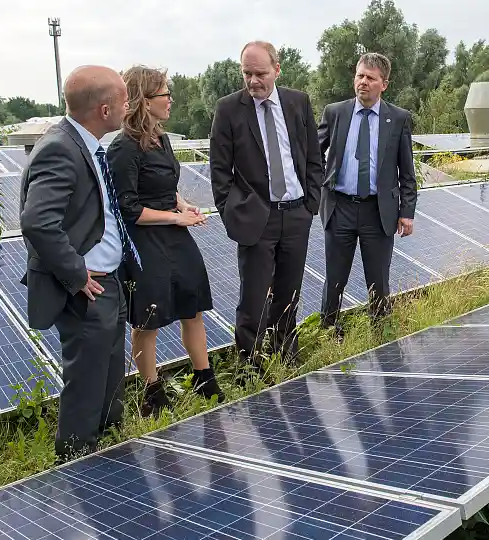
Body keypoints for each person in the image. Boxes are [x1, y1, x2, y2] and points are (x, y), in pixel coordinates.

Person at [19, 65, 135, 461]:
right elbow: (37, 221)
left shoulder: (86, 145)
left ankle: (110, 454)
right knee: (86, 382)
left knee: (107, 377)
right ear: (104, 109)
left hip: (109, 282)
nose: (128, 106)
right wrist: (76, 273)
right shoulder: (60, 147)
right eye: (123, 100)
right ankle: (78, 463)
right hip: (87, 287)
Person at [107, 65, 223, 417]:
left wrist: (182, 204)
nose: (171, 99)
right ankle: (152, 392)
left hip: (175, 236)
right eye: (164, 94)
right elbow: (126, 208)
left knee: (193, 305)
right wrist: (176, 217)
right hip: (145, 242)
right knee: (149, 318)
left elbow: (166, 187)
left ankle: (204, 377)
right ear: (144, 100)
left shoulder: (162, 137)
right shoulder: (124, 147)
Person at [210, 40, 322, 367]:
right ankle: (252, 367)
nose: (253, 80)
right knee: (254, 299)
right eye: (247, 73)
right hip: (256, 218)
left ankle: (286, 357)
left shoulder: (298, 102)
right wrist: (233, 213)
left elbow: (313, 156)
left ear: (277, 69)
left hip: (296, 214)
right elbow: (219, 170)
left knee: (289, 294)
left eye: (260, 73)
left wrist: (310, 204)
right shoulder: (229, 109)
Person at [317, 52, 417, 336]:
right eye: (360, 76)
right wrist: (319, 184)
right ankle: (328, 330)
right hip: (339, 208)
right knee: (335, 277)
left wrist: (407, 212)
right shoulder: (335, 112)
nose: (363, 82)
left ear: (384, 84)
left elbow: (406, 170)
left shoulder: (398, 119)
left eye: (370, 78)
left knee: (378, 278)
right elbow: (312, 153)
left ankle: (381, 332)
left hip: (378, 211)